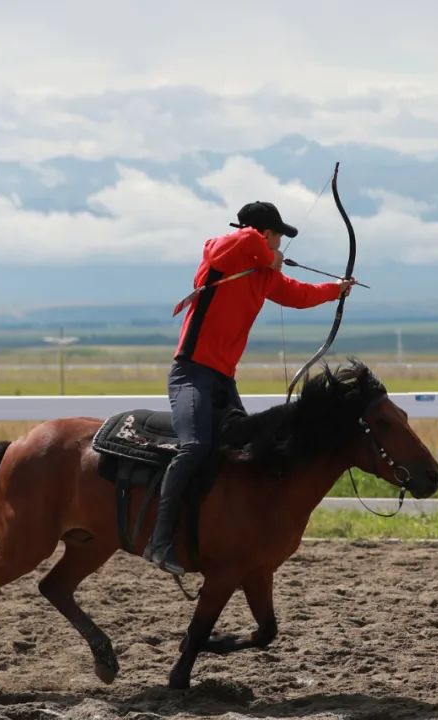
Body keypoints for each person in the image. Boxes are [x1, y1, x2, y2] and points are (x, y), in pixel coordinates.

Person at [145, 200, 354, 575]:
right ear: (263, 233)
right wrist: (266, 252)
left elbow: (299, 294)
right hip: (190, 374)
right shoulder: (223, 253)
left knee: (245, 451)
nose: (278, 247)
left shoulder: (263, 274)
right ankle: (160, 542)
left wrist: (335, 289)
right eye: (276, 237)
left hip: (222, 381)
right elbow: (238, 242)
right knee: (194, 447)